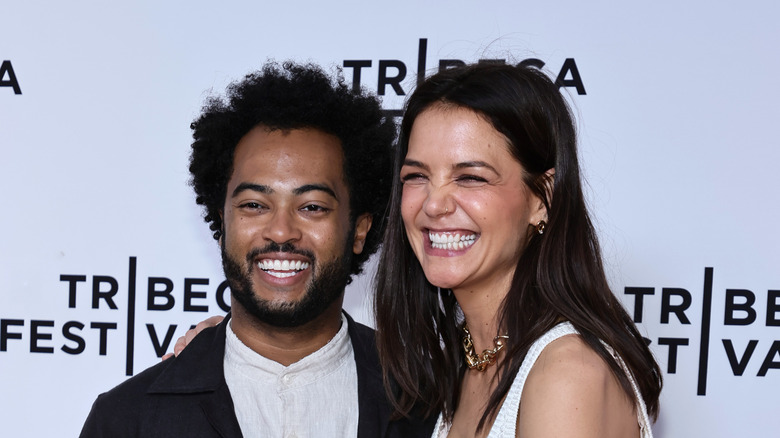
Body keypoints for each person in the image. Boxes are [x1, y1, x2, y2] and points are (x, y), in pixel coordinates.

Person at [79, 62, 435, 438]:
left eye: (312, 206)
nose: (281, 230)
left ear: (359, 229)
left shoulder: (429, 402)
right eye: (254, 205)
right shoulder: (126, 419)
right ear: (222, 222)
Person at [373, 63, 663, 437]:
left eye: (471, 177)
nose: (433, 205)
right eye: (417, 176)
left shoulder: (566, 371)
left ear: (542, 198)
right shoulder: (464, 364)